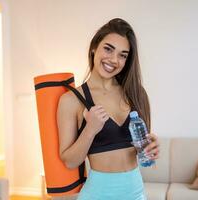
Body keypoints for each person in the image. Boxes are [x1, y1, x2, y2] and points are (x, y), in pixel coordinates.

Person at [57, 18, 160, 200]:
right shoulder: (71, 100)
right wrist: (90, 129)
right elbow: (70, 161)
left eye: (123, 55)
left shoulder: (136, 94)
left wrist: (150, 147)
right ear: (94, 47)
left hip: (136, 193)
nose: (113, 60)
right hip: (98, 194)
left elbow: (142, 148)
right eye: (108, 49)